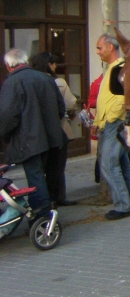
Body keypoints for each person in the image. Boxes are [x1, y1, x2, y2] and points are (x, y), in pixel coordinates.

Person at [0, 48, 66, 218]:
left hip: (29, 139)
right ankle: (49, 213)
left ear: (8, 65)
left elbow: (7, 116)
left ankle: (43, 219)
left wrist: (6, 136)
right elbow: (60, 108)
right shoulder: (45, 78)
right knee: (46, 177)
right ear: (25, 61)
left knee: (36, 179)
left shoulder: (12, 82)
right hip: (51, 137)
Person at [94, 35, 130, 220]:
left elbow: (122, 96)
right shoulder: (113, 68)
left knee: (109, 164)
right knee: (121, 164)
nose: (98, 52)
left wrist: (110, 117)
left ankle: (123, 206)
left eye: (100, 48)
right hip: (110, 122)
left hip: (115, 123)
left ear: (111, 47)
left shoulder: (120, 67)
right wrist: (98, 121)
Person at [28, 52, 79, 206]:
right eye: (54, 63)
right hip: (58, 129)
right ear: (48, 64)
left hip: (37, 131)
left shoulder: (30, 81)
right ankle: (58, 196)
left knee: (41, 168)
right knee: (57, 166)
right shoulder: (59, 82)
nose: (56, 66)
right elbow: (70, 104)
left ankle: (44, 198)